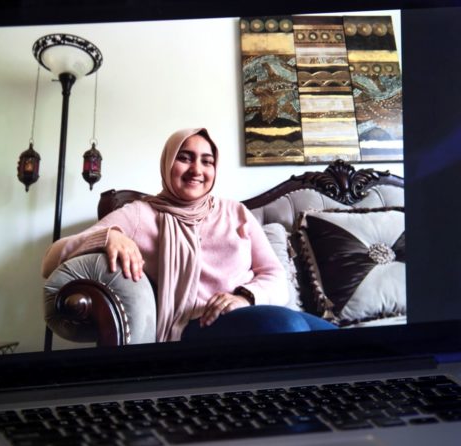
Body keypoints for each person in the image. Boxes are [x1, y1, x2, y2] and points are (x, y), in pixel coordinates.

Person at [42, 127, 336, 342]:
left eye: (207, 161)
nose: (197, 169)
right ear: (168, 163)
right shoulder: (140, 214)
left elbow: (273, 274)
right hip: (197, 325)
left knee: (346, 344)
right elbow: (50, 260)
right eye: (185, 158)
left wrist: (245, 298)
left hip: (254, 310)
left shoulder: (235, 212)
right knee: (289, 329)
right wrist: (108, 237)